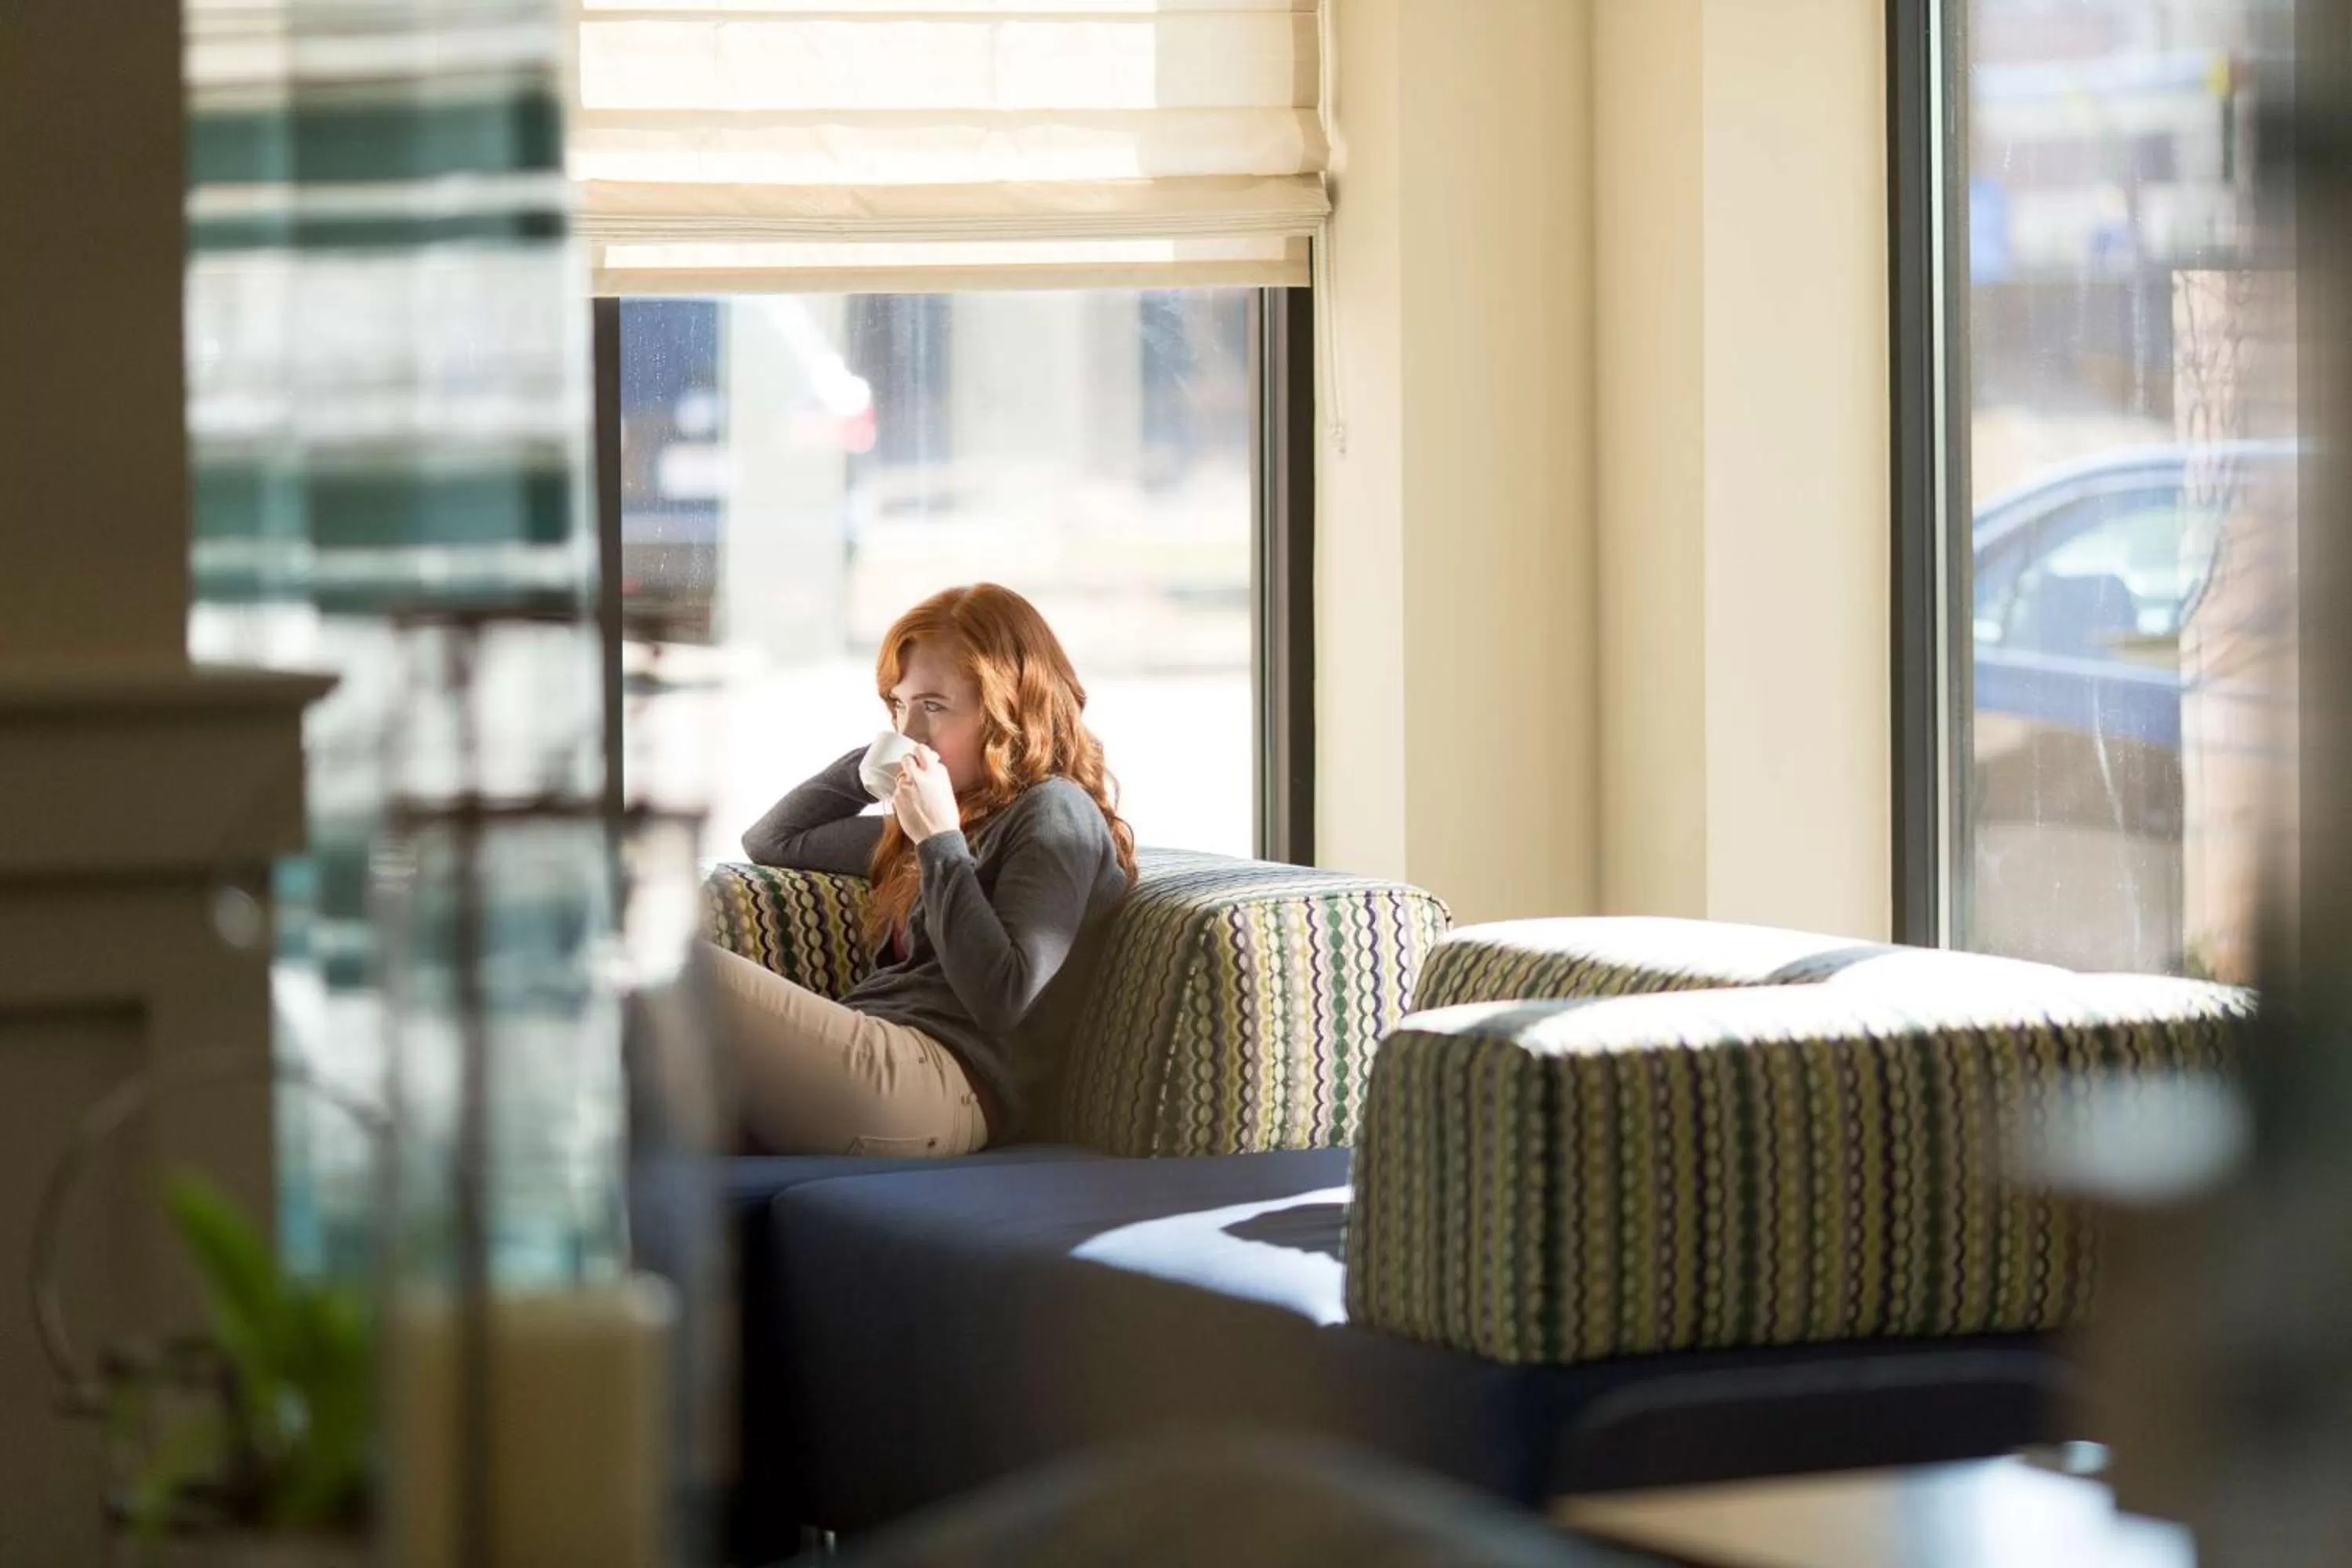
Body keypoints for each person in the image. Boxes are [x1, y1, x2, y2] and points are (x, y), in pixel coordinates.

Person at [710, 583, 1137, 1156]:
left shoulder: (1055, 812)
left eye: (934, 707)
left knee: (656, 960)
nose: (910, 734)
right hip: (875, 1057)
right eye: (897, 705)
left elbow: (1004, 997)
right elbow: (774, 840)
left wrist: (939, 842)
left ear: (1010, 711)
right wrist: (869, 770)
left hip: (941, 1090)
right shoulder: (947, 823)